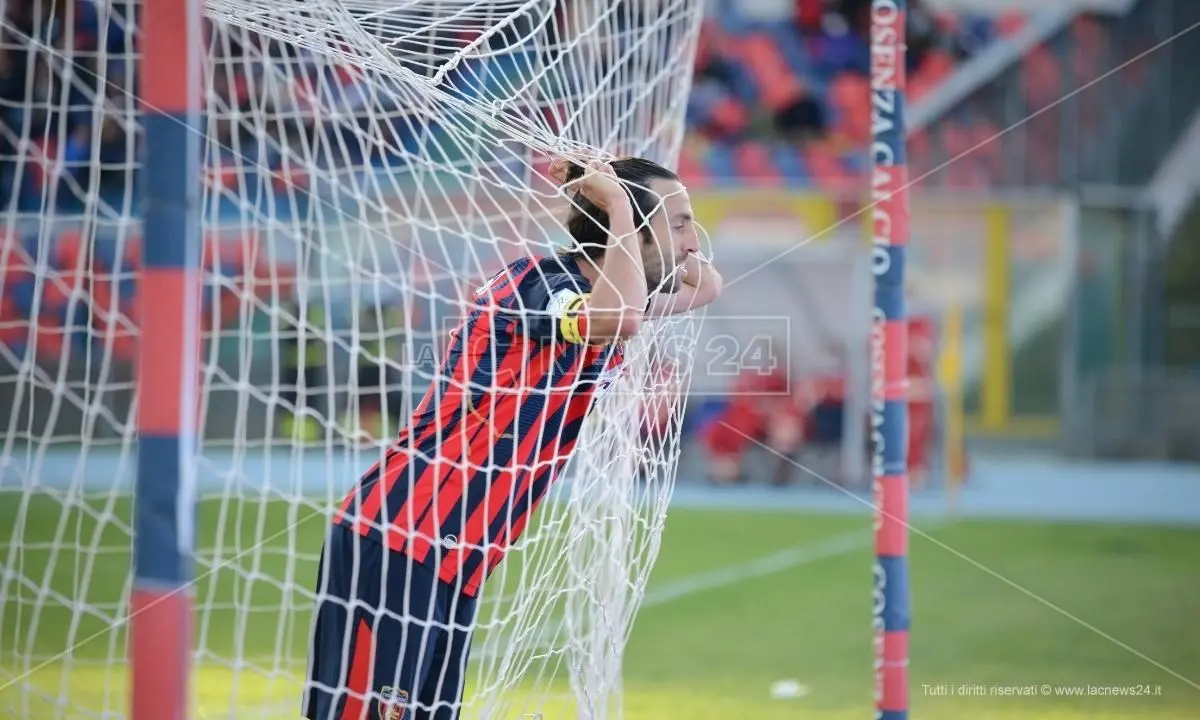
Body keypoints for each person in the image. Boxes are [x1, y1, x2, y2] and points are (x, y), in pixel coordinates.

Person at [302, 156, 723, 720]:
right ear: (632, 231)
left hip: (457, 557)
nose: (693, 241)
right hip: (403, 536)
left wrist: (628, 210)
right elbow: (617, 317)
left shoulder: (607, 292)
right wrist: (621, 206)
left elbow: (707, 285)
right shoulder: (540, 285)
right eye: (680, 223)